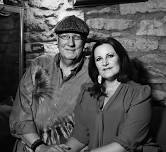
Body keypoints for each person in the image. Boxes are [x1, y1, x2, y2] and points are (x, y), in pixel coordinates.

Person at [58, 38, 162, 152]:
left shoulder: (140, 93)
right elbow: (80, 136)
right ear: (95, 65)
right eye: (99, 59)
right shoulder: (87, 92)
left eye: (110, 56)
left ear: (120, 58)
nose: (105, 63)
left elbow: (126, 144)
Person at [9, 15, 91, 152]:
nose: (70, 43)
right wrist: (40, 147)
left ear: (84, 42)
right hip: (30, 148)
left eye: (76, 37)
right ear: (57, 40)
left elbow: (97, 122)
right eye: (65, 36)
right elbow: (19, 115)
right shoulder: (39, 65)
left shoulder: (93, 73)